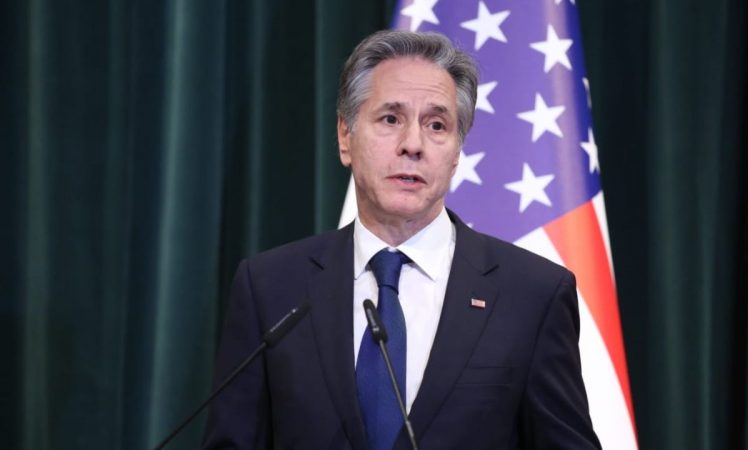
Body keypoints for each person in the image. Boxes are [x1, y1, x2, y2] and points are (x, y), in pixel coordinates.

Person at [203, 30, 601, 450]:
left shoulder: (532, 294)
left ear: (456, 152)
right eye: (390, 119)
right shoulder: (270, 288)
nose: (413, 145)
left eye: (436, 125)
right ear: (345, 136)